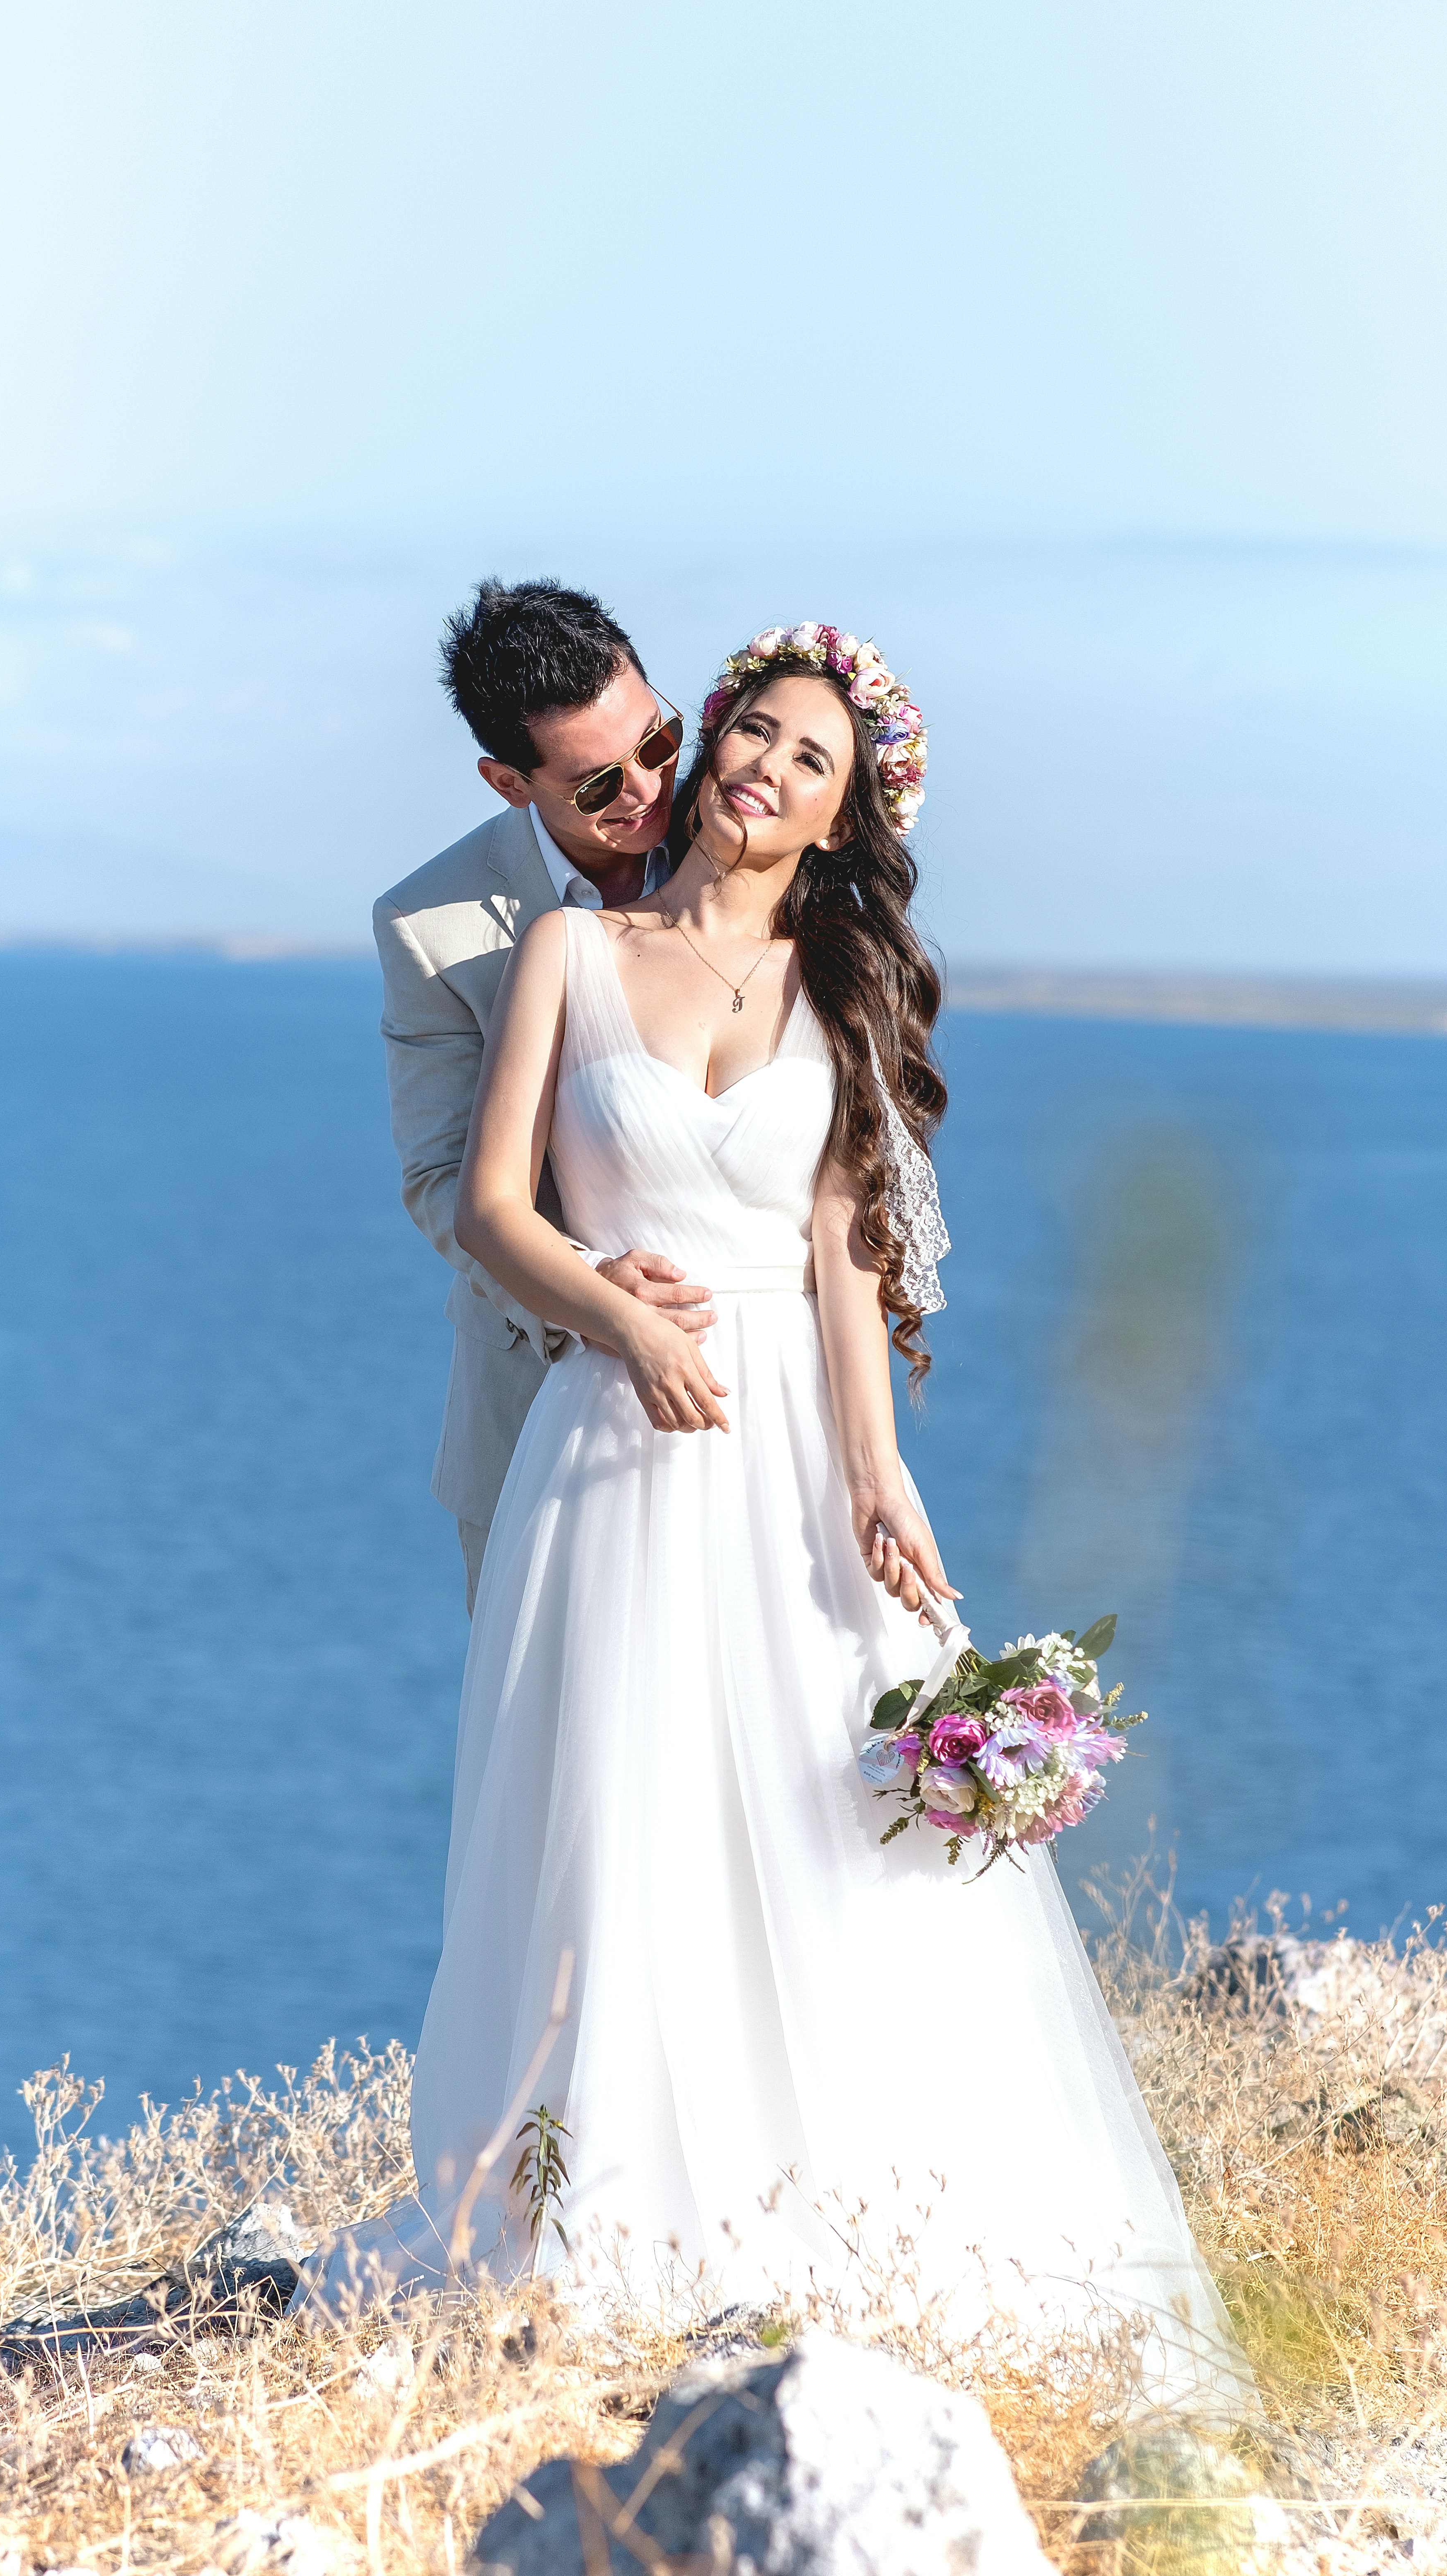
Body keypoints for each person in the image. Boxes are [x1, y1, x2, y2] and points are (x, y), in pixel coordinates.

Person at [307, 622, 1250, 2414]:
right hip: (603, 1442)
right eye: (744, 740)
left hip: (792, 1466)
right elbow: (477, 1199)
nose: (723, 774)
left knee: (839, 1818)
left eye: (784, 756)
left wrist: (880, 1476)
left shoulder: (838, 986)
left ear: (841, 813)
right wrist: (611, 1307)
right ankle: (590, 2231)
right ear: (518, 788)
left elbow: (837, 1256)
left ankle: (857, 2218)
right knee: (612, 1822)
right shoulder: (557, 948)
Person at [376, 577, 719, 1610]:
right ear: (506, 782)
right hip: (533, 1403)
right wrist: (587, 1285)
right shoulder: (428, 923)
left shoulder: (742, 834)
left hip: (755, 1385)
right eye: (598, 783)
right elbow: (440, 1178)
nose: (649, 793)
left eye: (657, 744)